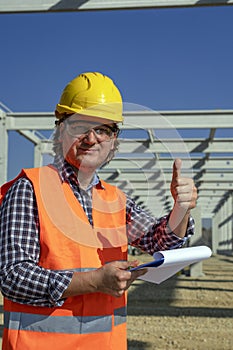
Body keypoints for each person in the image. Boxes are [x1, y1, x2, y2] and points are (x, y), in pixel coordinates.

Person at [0, 72, 197, 350]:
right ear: (61, 130)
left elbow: (159, 241)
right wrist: (94, 281)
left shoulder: (115, 199)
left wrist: (181, 210)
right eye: (81, 125)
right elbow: (13, 277)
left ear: (114, 140)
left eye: (103, 129)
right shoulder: (29, 188)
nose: (91, 138)